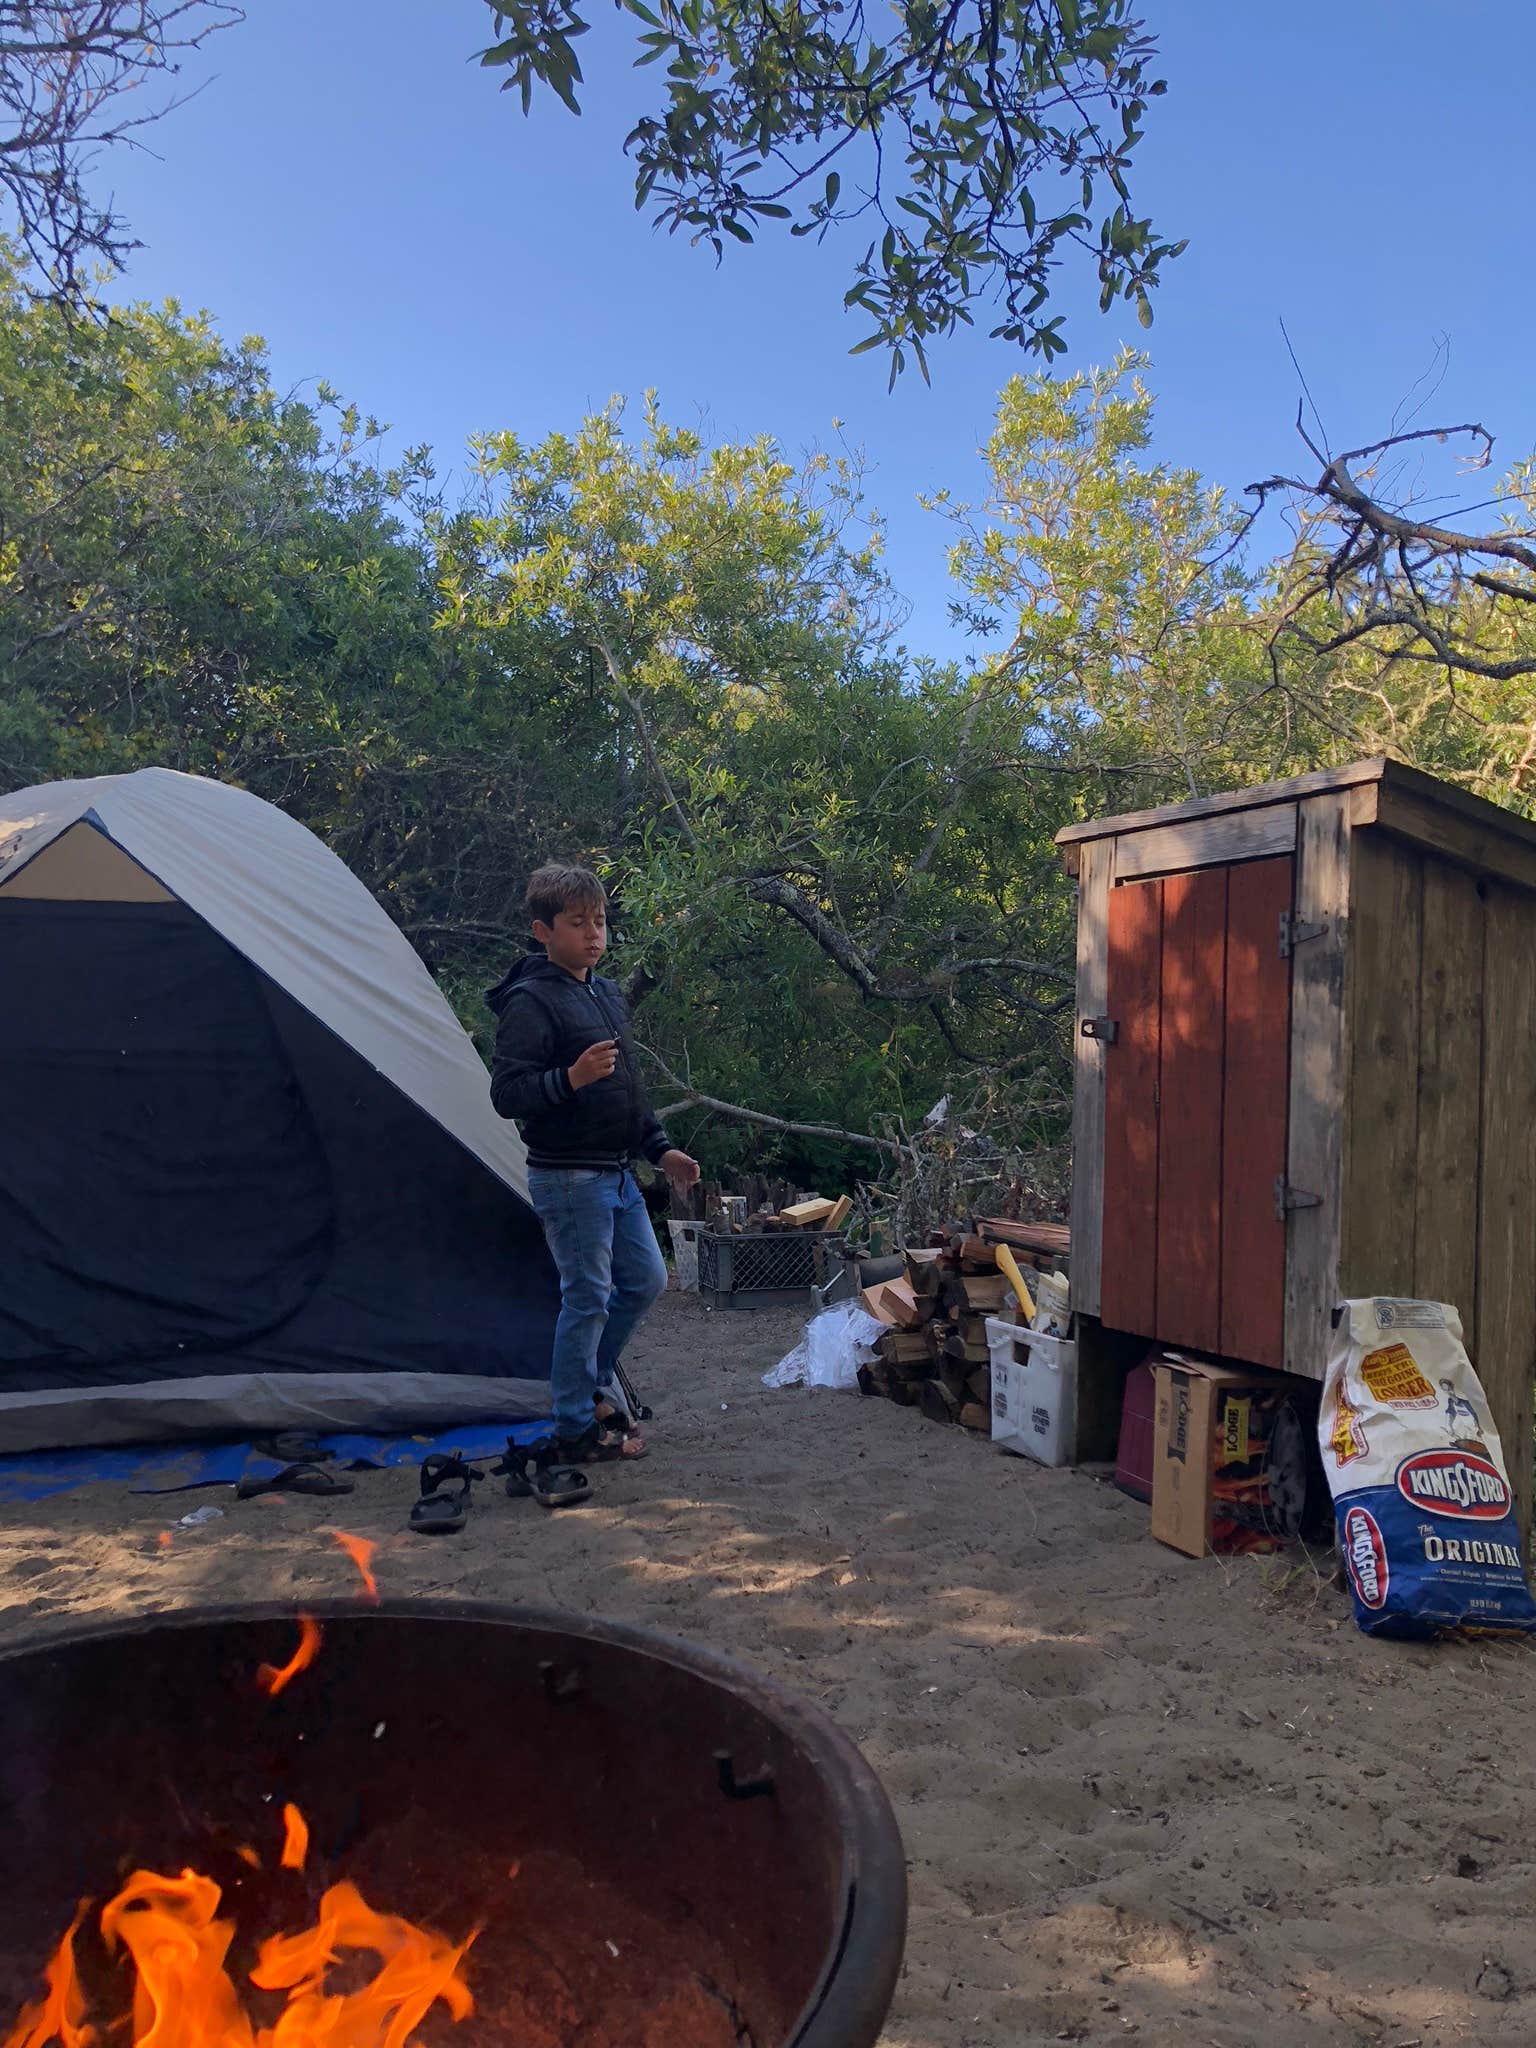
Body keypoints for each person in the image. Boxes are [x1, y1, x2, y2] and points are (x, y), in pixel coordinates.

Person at [488, 862, 699, 1465]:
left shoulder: (604, 993)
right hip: (567, 1176)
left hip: (617, 1170)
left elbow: (628, 1091)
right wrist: (570, 1079)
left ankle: (589, 1387)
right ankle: (574, 1425)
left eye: (600, 922)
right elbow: (507, 1095)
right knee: (588, 1298)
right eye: (578, 923)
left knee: (646, 1280)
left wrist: (662, 1150)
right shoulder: (530, 1002)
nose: (593, 935)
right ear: (542, 931)